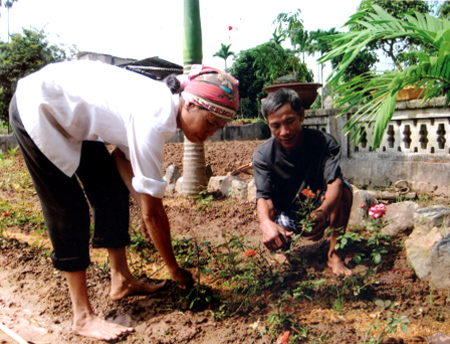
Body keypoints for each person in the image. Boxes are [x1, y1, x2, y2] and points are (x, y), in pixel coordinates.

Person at [9, 60, 239, 341]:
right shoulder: (153, 118)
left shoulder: (163, 106)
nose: (211, 132)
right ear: (190, 104)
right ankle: (82, 316)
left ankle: (121, 279)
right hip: (38, 106)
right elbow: (153, 215)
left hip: (70, 111)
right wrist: (174, 269)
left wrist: (144, 204)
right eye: (211, 122)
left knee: (110, 188)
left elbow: (121, 158)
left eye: (219, 126)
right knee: (69, 209)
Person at [252, 88, 352, 276]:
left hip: (320, 211)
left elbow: (334, 183)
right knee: (268, 208)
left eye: (290, 121)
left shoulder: (324, 143)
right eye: (276, 126)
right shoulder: (262, 155)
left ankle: (335, 255)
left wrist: (322, 212)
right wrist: (265, 223)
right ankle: (281, 252)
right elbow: (263, 197)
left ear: (301, 115)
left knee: (344, 189)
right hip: (286, 218)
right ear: (268, 124)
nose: (284, 131)